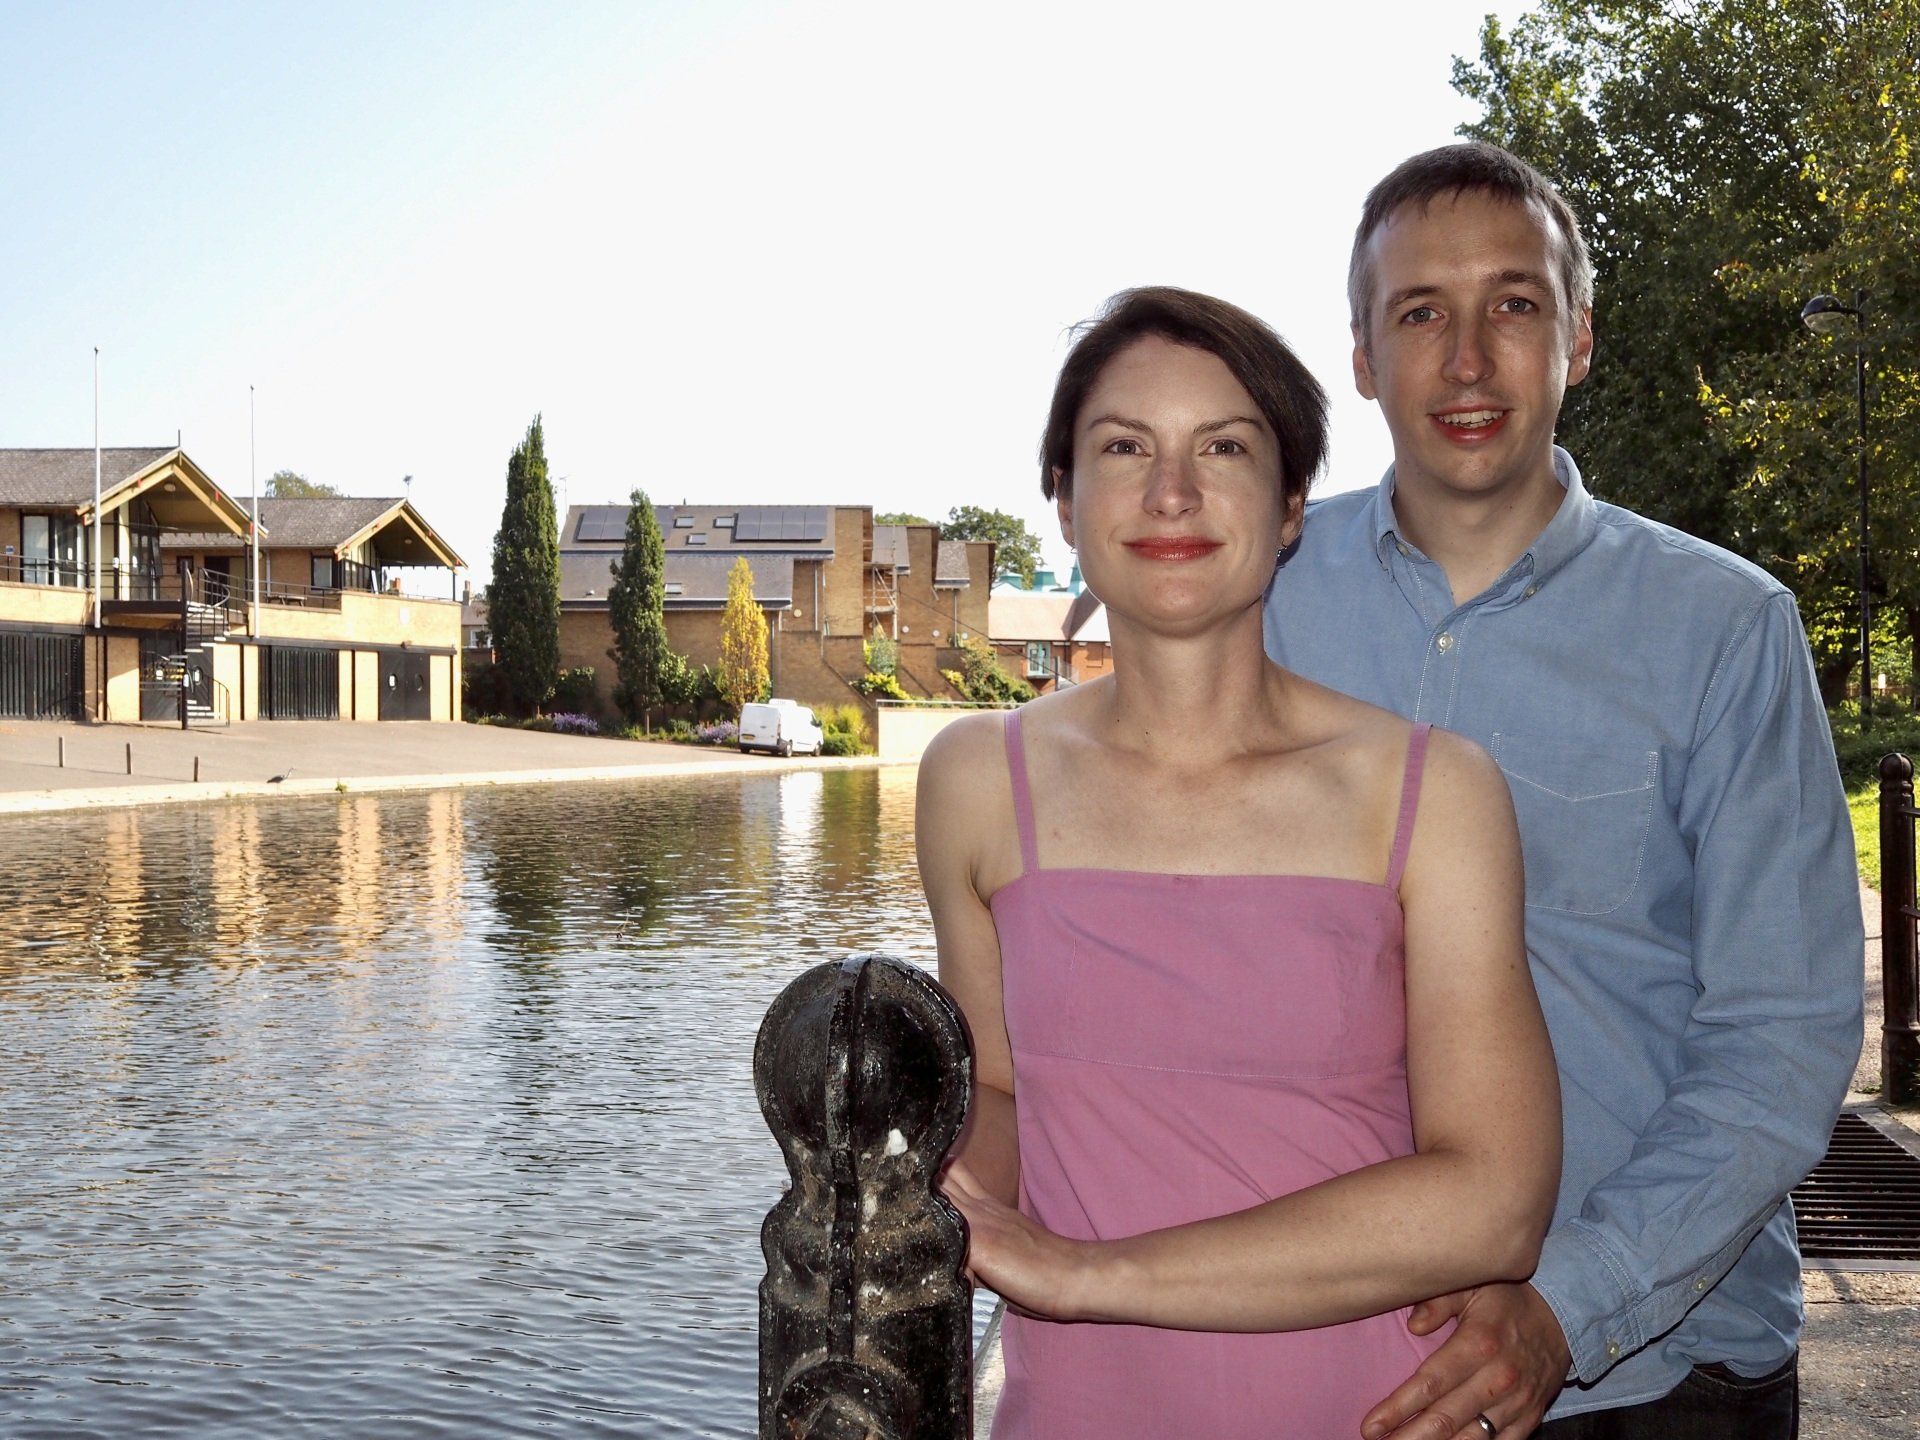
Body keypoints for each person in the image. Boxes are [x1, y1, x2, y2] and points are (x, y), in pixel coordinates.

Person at [1263, 143, 1864, 1439]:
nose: (1468, 359)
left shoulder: (1725, 631)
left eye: (1515, 305)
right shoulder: (1261, 606)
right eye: (1420, 313)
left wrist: (1566, 1305)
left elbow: (1786, 1034)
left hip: (1658, 1377)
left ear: (1578, 339)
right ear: (1362, 357)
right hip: (1331, 1359)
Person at [917, 286, 1562, 1440]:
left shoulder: (1430, 793)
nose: (1172, 493)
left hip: (1372, 1411)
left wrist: (1084, 1273)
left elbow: (1494, 1203)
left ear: (1292, 503)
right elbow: (1002, 1094)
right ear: (1063, 503)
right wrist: (905, 1159)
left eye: (1224, 447)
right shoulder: (977, 779)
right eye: (1123, 449)